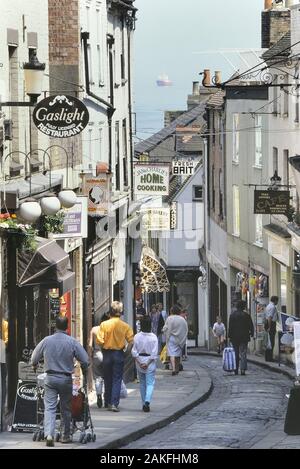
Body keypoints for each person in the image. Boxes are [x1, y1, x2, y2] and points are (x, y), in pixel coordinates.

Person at [31, 316, 89, 447]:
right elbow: (85, 359)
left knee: (50, 407)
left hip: (50, 378)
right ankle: (65, 436)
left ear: (55, 326)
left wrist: (34, 365)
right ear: (67, 326)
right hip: (65, 378)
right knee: (65, 408)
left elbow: (34, 357)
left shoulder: (47, 340)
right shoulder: (72, 341)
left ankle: (49, 434)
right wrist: (84, 369)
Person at [96, 301, 134, 412]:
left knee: (107, 378)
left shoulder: (103, 325)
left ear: (110, 312)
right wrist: (126, 352)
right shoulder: (125, 326)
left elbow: (99, 340)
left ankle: (107, 401)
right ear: (121, 312)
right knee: (117, 378)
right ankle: (114, 403)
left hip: (107, 353)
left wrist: (104, 347)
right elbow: (131, 341)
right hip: (119, 353)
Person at [132, 316, 158, 413]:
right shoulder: (154, 337)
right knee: (150, 383)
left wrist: (140, 362)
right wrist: (147, 363)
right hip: (149, 362)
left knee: (142, 383)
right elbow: (154, 353)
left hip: (140, 360)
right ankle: (147, 401)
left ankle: (143, 403)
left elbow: (134, 351)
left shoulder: (137, 336)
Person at [228, 300, 254, 376]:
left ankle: (236, 369)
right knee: (243, 353)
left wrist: (229, 336)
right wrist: (252, 333)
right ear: (243, 306)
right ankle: (242, 369)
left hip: (234, 337)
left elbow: (230, 327)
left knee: (235, 353)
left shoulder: (232, 315)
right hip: (244, 337)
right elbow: (250, 325)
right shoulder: (246, 315)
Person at [162, 304, 188, 376]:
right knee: (178, 354)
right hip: (179, 338)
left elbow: (165, 328)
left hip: (171, 338)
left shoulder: (169, 318)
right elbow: (185, 329)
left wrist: (164, 331)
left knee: (172, 354)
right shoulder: (182, 319)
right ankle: (176, 369)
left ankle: (173, 368)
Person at [265, 296, 279, 362]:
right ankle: (269, 357)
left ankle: (267, 357)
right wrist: (269, 327)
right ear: (275, 300)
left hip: (269, 323)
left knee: (269, 342)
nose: (277, 302)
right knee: (271, 341)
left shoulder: (268, 306)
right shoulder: (272, 307)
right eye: (277, 301)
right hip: (271, 324)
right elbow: (270, 317)